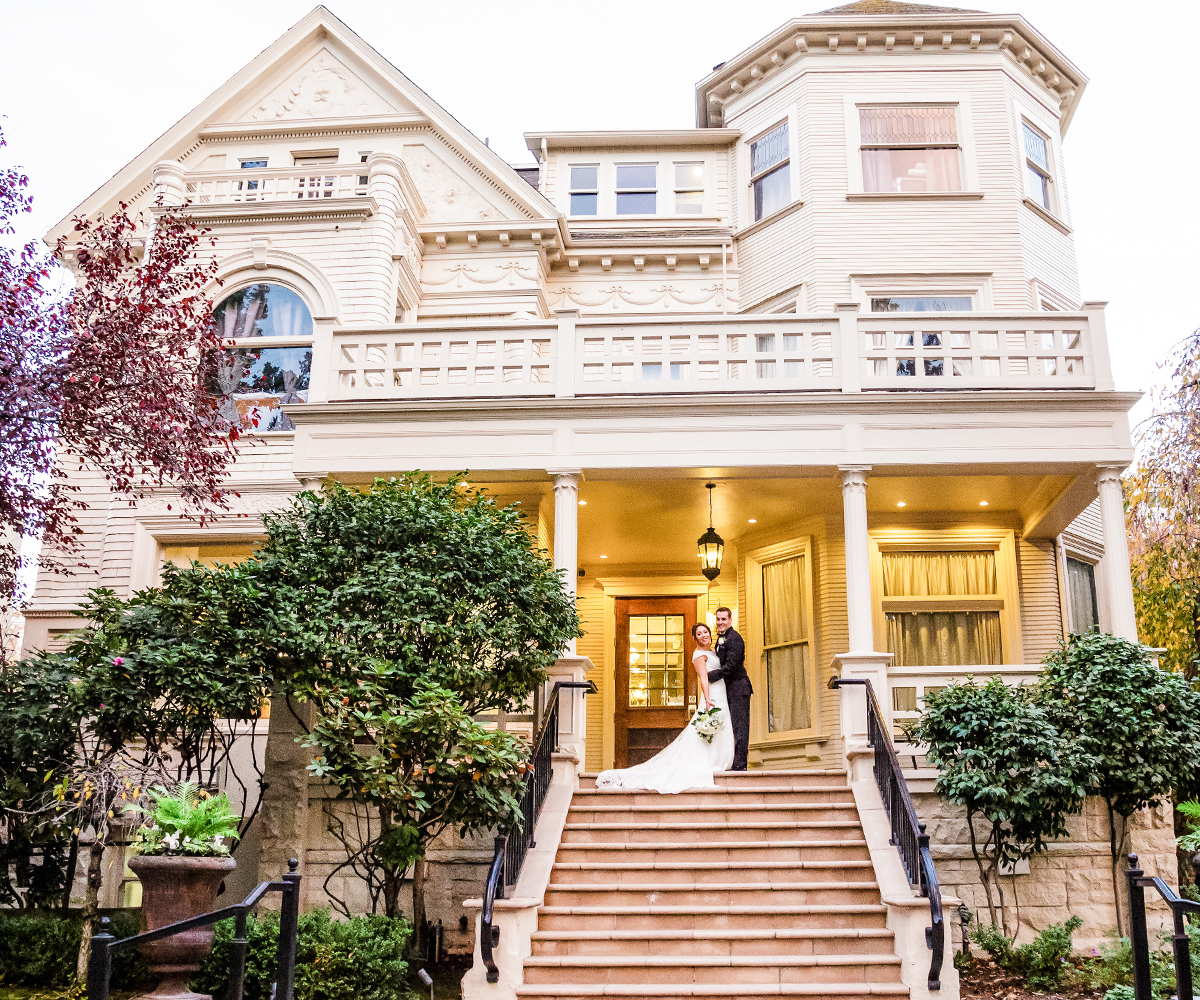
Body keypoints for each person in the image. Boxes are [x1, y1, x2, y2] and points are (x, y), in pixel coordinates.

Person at [596, 622, 735, 793]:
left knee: (722, 726)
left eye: (705, 632)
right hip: (712, 694)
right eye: (699, 634)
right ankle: (709, 761)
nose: (703, 635)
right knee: (705, 729)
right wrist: (707, 699)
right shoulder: (698, 655)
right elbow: (704, 679)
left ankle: (721, 760)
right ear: (695, 638)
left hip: (722, 693)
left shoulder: (713, 652)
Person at [706, 606, 752, 771]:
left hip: (739, 688)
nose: (720, 622)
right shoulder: (722, 639)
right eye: (718, 619)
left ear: (730, 620)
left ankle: (740, 765)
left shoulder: (735, 639)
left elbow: (730, 667)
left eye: (723, 619)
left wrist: (709, 676)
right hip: (728, 689)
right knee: (730, 726)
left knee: (740, 727)